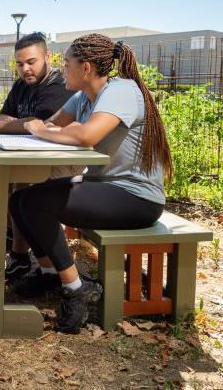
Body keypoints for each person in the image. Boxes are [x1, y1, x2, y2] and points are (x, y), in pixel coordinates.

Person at [9, 33, 172, 334]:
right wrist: (40, 128)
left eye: (67, 63)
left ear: (85, 68)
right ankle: (48, 273)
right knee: (21, 199)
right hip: (106, 186)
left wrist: (43, 131)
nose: (62, 68)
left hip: (136, 197)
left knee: (35, 203)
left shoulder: (121, 91)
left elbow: (84, 136)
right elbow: (52, 125)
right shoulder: (83, 95)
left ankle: (76, 288)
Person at [0, 32, 76, 281]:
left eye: (31, 62)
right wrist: (16, 124)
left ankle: (22, 256)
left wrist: (2, 126)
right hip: (28, 154)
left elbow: (39, 125)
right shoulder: (22, 85)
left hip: (59, 162)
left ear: (47, 57)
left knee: (20, 185)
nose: (25, 69)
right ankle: (17, 252)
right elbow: (5, 118)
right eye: (20, 64)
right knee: (4, 181)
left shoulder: (58, 85)